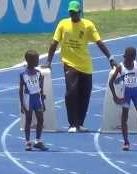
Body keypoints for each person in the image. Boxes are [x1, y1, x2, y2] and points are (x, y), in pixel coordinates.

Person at [46, 0, 117, 133]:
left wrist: (111, 58)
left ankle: (80, 123)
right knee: (71, 92)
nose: (73, 15)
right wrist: (48, 62)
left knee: (85, 94)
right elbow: (54, 43)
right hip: (69, 64)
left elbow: (99, 42)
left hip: (85, 65)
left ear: (80, 12)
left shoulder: (88, 25)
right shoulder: (63, 24)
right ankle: (72, 124)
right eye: (71, 13)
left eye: (75, 13)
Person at [109, 47, 137, 151]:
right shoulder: (120, 67)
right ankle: (126, 142)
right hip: (126, 93)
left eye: (131, 58)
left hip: (136, 93)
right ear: (126, 57)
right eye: (127, 58)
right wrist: (115, 96)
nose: (129, 61)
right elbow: (111, 82)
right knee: (124, 118)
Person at [19, 50, 48, 151]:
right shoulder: (23, 74)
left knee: (41, 119)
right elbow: (20, 89)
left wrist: (43, 101)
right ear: (29, 60)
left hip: (37, 98)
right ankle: (27, 142)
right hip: (28, 98)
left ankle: (37, 141)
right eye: (36, 59)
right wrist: (22, 104)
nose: (37, 61)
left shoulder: (39, 73)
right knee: (28, 120)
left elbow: (41, 87)